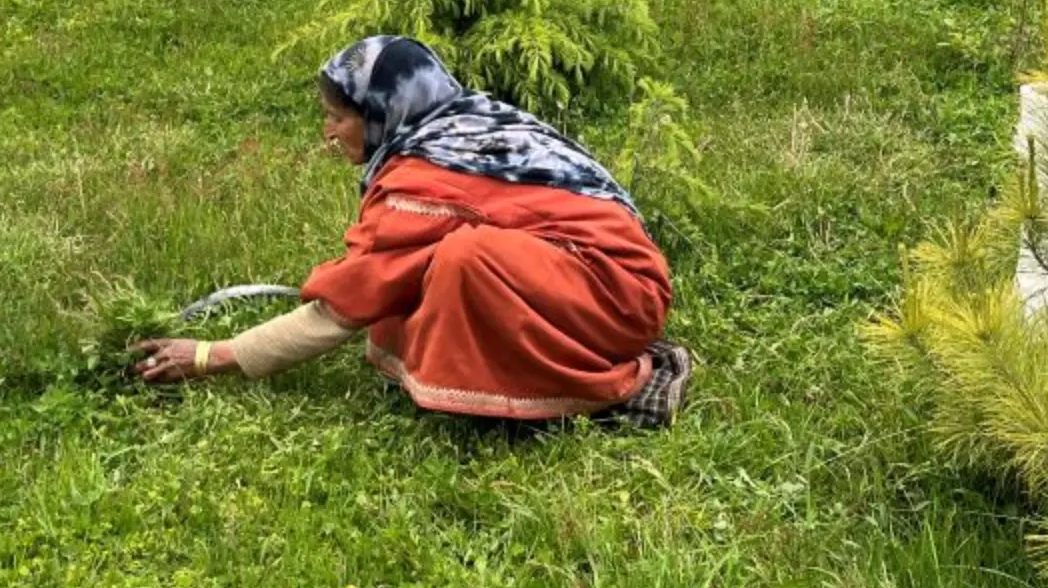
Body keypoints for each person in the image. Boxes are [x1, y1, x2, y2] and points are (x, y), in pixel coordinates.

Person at [131, 36, 694, 427]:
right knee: (423, 262)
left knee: (462, 260)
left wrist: (213, 355)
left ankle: (596, 382)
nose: (327, 134)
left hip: (617, 297)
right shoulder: (466, 120)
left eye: (338, 117)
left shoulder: (426, 181)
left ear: (380, 112)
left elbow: (347, 306)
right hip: (613, 280)